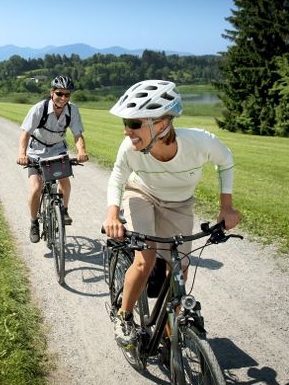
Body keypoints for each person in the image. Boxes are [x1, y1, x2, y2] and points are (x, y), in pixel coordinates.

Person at [102, 79, 241, 363]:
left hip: (179, 204)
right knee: (146, 258)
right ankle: (124, 317)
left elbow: (225, 160)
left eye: (133, 122)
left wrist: (226, 207)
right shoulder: (129, 148)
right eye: (125, 123)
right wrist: (112, 214)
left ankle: (170, 330)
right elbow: (118, 177)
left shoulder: (199, 142)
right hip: (141, 194)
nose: (127, 131)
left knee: (180, 266)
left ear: (162, 123)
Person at [17, 76, 89, 243]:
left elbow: (78, 134)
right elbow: (25, 133)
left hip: (58, 150)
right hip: (36, 152)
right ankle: (34, 222)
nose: (63, 98)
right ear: (52, 93)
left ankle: (63, 210)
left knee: (65, 183)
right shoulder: (39, 109)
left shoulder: (72, 110)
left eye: (67, 94)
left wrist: (82, 151)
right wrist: (22, 154)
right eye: (59, 93)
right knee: (36, 188)